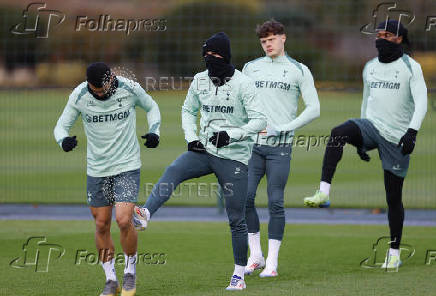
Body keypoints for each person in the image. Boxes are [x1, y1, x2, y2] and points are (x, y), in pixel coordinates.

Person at [133, 32, 266, 290]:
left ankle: (239, 275)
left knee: (235, 218)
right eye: (205, 55)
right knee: (174, 169)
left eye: (214, 55)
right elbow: (187, 110)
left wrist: (232, 135)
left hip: (233, 157)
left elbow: (259, 120)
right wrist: (191, 136)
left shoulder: (244, 84)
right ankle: (146, 212)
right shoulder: (199, 80)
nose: (209, 60)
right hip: (204, 150)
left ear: (225, 56)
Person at [303, 20, 427, 269]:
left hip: (397, 137)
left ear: (399, 39)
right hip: (372, 126)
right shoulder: (369, 66)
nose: (380, 39)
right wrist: (360, 138)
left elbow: (422, 102)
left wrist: (411, 132)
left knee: (393, 198)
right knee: (338, 132)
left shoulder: (411, 67)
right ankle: (324, 192)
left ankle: (394, 251)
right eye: (378, 34)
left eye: (387, 35)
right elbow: (365, 101)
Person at [54, 62, 161, 296]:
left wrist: (154, 131)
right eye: (95, 90)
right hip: (97, 170)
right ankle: (110, 279)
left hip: (127, 165)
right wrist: (63, 140)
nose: (99, 94)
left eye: (102, 89)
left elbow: (152, 106)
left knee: (123, 220)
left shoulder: (129, 88)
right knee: (101, 224)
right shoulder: (80, 95)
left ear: (111, 78)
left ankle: (130, 272)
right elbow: (61, 126)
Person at [241, 19, 320, 277]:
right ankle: (256, 256)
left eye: (271, 40)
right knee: (245, 199)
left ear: (283, 38)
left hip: (280, 148)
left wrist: (285, 128)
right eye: (263, 42)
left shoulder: (299, 70)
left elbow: (314, 108)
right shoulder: (250, 68)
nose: (267, 45)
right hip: (253, 147)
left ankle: (272, 263)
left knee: (275, 202)